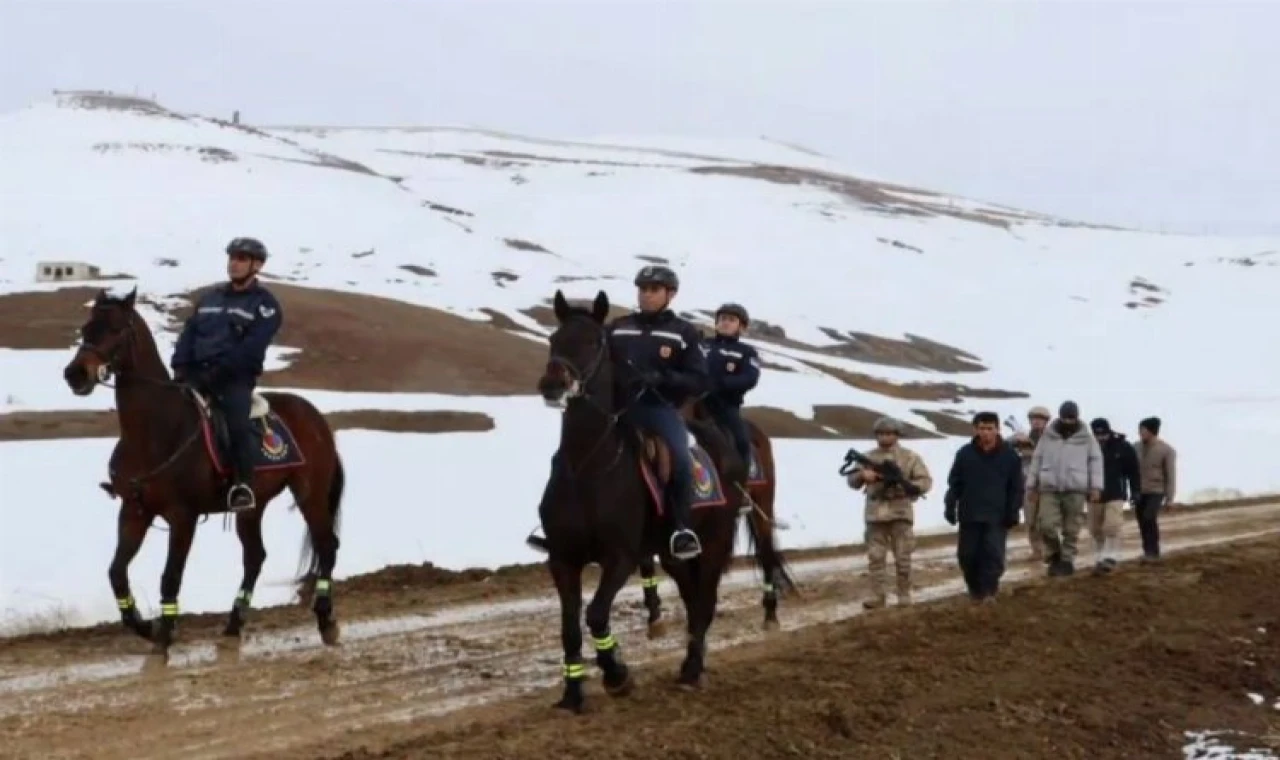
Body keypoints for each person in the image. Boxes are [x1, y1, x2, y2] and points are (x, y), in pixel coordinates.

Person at [171, 237, 283, 512]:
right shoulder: (209, 298)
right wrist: (180, 365)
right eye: (232, 257)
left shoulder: (265, 305)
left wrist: (221, 372)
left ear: (256, 265)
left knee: (236, 421)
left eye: (242, 258)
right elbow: (189, 333)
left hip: (233, 379)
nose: (234, 263)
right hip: (195, 375)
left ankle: (242, 484)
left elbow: (252, 348)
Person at [607, 265, 710, 560]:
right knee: (572, 450)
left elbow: (699, 380)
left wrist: (663, 379)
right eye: (643, 289)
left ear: (670, 294)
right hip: (618, 410)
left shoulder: (683, 333)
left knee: (679, 458)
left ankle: (681, 529)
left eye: (654, 290)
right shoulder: (617, 327)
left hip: (658, 409)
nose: (647, 295)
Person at [846, 417, 933, 609]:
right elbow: (851, 480)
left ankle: (904, 594)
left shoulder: (910, 458)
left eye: (889, 433)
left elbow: (925, 481)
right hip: (875, 514)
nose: (885, 437)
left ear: (897, 435)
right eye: (881, 434)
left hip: (900, 513)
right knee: (876, 558)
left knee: (903, 557)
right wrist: (862, 475)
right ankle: (878, 596)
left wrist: (907, 486)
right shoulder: (867, 458)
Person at [944, 412, 1024, 603]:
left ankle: (989, 591)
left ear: (997, 429)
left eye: (990, 428)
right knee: (967, 555)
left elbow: (1016, 487)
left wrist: (1013, 511)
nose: (986, 433)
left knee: (993, 555)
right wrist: (950, 505)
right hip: (969, 513)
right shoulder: (965, 454)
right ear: (975, 429)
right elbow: (955, 483)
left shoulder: (1010, 455)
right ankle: (975, 589)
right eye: (982, 428)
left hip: (997, 515)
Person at [1026, 401, 1102, 577]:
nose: (1068, 421)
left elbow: (1095, 462)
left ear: (1077, 417)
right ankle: (1054, 555)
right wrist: (1031, 485)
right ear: (1059, 417)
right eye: (1065, 417)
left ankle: (1067, 560)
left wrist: (1095, 487)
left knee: (1071, 527)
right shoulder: (1047, 436)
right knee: (1045, 524)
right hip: (1049, 487)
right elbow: (1036, 459)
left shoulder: (1087, 438)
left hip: (1076, 487)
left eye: (1072, 418)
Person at [703, 302, 760, 476]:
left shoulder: (746, 352)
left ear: (741, 327)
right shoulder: (702, 344)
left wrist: (722, 384)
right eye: (722, 319)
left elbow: (750, 378)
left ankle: (744, 477)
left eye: (731, 320)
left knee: (741, 438)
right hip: (693, 398)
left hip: (724, 405)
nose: (725, 322)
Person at [1089, 418, 1140, 574]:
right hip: (1093, 494)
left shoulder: (1122, 447)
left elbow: (1133, 471)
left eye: (1103, 434)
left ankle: (1111, 556)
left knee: (1112, 526)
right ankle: (1099, 557)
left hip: (1116, 492)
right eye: (1097, 435)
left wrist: (1135, 491)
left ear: (1108, 431)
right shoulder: (1087, 448)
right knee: (1095, 529)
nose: (1100, 438)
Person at [1009, 405, 1051, 560]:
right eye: (1034, 419)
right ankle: (1036, 550)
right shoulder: (1022, 438)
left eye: (1040, 419)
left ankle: (1050, 549)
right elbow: (1004, 448)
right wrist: (1015, 439)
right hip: (1028, 485)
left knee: (1047, 521)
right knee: (1031, 520)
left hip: (1048, 486)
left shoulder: (1052, 439)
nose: (1037, 422)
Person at [1134, 416, 1177, 562]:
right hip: (1139, 490)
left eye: (1143, 430)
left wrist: (1170, 499)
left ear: (1152, 431)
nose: (1140, 433)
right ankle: (1147, 551)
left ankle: (1154, 551)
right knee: (1141, 520)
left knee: (1149, 517)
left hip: (1156, 490)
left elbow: (1170, 476)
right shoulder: (1135, 447)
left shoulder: (1166, 450)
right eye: (1140, 430)